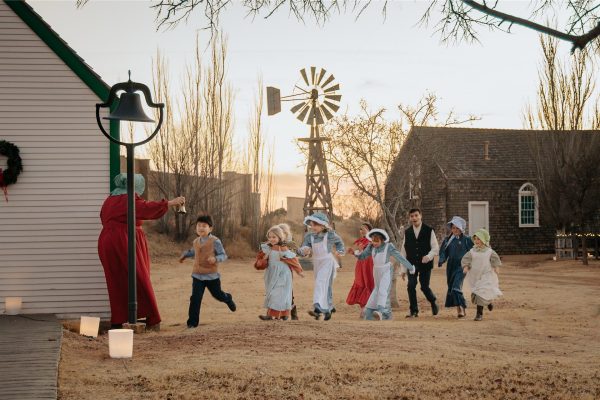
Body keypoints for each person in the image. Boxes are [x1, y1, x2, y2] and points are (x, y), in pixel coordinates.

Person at [98, 173, 185, 330]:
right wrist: (171, 203)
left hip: (108, 241)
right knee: (139, 278)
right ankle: (152, 319)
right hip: (123, 240)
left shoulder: (110, 199)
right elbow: (146, 208)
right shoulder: (127, 199)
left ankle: (119, 319)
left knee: (117, 282)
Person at [179, 214, 236, 328]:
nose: (201, 228)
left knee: (218, 295)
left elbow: (223, 255)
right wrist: (185, 255)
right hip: (197, 275)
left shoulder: (215, 241)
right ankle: (192, 323)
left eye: (204, 226)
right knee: (195, 298)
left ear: (210, 228)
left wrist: (215, 258)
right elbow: (193, 251)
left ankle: (227, 298)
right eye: (198, 226)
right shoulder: (196, 241)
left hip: (211, 276)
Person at [353, 229, 415, 320]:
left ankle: (382, 312)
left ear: (382, 240)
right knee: (377, 290)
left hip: (386, 270)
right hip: (376, 271)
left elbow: (399, 257)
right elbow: (363, 256)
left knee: (383, 290)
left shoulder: (388, 247)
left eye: (377, 241)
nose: (374, 243)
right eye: (373, 240)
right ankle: (371, 311)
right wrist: (356, 253)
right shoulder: (371, 247)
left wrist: (410, 267)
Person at [297, 212, 345, 321]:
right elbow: (305, 248)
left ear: (322, 225)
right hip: (317, 263)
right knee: (325, 286)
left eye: (315, 224)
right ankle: (328, 309)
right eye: (311, 225)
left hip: (328, 262)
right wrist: (302, 250)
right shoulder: (309, 236)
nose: (312, 227)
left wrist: (340, 251)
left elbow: (340, 243)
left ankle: (317, 307)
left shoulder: (330, 235)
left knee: (320, 282)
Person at [255, 225, 303, 320]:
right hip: (272, 274)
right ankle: (282, 315)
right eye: (270, 237)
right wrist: (260, 262)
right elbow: (260, 260)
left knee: (277, 294)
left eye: (274, 237)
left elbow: (292, 259)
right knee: (272, 294)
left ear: (280, 237)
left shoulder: (283, 249)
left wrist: (298, 270)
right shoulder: (267, 248)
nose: (271, 239)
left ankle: (272, 315)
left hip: (282, 275)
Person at [400, 208, 440, 318]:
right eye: (412, 216)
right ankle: (414, 311)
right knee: (411, 285)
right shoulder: (407, 232)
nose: (414, 218)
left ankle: (433, 301)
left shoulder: (429, 230)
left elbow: (435, 248)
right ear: (410, 218)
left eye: (416, 215)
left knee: (424, 286)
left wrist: (428, 256)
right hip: (411, 264)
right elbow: (403, 252)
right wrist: (403, 269)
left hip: (425, 264)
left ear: (420, 216)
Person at [461, 228, 502, 321]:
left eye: (479, 239)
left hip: (486, 275)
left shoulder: (489, 251)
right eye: (475, 239)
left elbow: (495, 259)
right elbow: (466, 259)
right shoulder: (472, 251)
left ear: (484, 239)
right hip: (474, 275)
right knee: (476, 293)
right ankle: (488, 302)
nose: (476, 241)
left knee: (481, 292)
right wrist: (466, 267)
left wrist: (496, 267)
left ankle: (479, 314)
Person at [438, 216, 474, 318]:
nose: (455, 230)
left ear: (462, 228)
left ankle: (462, 307)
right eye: (453, 228)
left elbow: (473, 252)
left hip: (462, 267)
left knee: (456, 287)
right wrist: (442, 260)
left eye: (457, 228)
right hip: (450, 267)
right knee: (451, 287)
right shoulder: (447, 240)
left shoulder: (467, 240)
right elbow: (443, 252)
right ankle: (458, 308)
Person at [345, 222, 375, 318]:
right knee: (361, 283)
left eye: (364, 229)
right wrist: (353, 252)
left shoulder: (373, 240)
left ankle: (369, 310)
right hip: (361, 266)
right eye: (361, 229)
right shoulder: (360, 241)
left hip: (370, 265)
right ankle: (363, 309)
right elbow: (359, 254)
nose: (362, 231)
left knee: (369, 284)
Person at [278, 223, 300, 320]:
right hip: (276, 270)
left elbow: (294, 255)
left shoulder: (291, 243)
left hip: (287, 270)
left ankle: (292, 310)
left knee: (288, 291)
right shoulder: (275, 242)